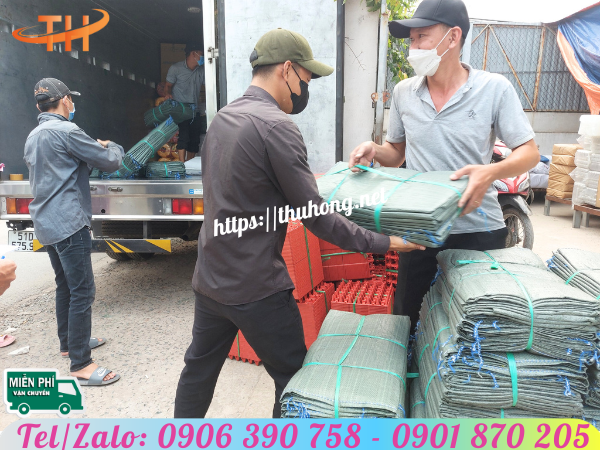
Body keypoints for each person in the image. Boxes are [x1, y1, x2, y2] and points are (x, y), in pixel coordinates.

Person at [174, 28, 424, 419]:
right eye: (306, 79)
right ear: (287, 70)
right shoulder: (277, 127)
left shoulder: (223, 118)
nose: (306, 89)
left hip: (209, 279)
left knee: (198, 371)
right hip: (257, 289)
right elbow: (317, 219)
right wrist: (386, 241)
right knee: (292, 381)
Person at [349, 0, 540, 330]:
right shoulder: (404, 92)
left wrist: (491, 172)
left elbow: (529, 153)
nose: (413, 47)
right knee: (409, 321)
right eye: (411, 40)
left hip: (478, 231)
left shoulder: (493, 89)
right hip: (419, 230)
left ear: (453, 37)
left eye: (422, 36)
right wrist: (374, 150)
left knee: (474, 330)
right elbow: (396, 153)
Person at [24, 78, 124, 386]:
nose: (72, 104)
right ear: (65, 100)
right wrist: (111, 146)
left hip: (46, 222)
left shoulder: (34, 135)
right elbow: (110, 162)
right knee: (83, 291)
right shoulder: (67, 131)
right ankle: (81, 364)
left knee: (65, 286)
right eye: (71, 99)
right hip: (69, 222)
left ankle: (69, 344)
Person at [164, 42, 207, 162]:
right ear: (193, 54)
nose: (203, 57)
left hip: (195, 110)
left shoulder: (201, 70)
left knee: (195, 140)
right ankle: (182, 164)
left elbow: (209, 84)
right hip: (181, 110)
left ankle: (189, 164)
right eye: (201, 54)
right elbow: (168, 85)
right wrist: (167, 94)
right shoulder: (176, 68)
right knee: (184, 137)